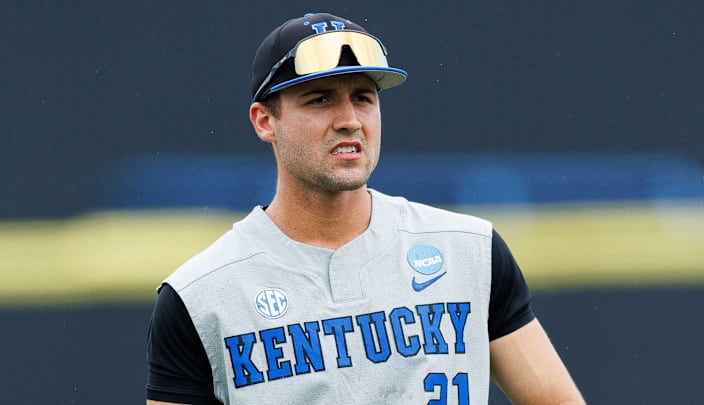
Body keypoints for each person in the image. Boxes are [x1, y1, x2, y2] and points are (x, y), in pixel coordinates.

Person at [146, 12, 585, 405]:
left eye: (363, 97)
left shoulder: (470, 252)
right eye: (319, 99)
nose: (349, 119)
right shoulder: (200, 297)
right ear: (265, 121)